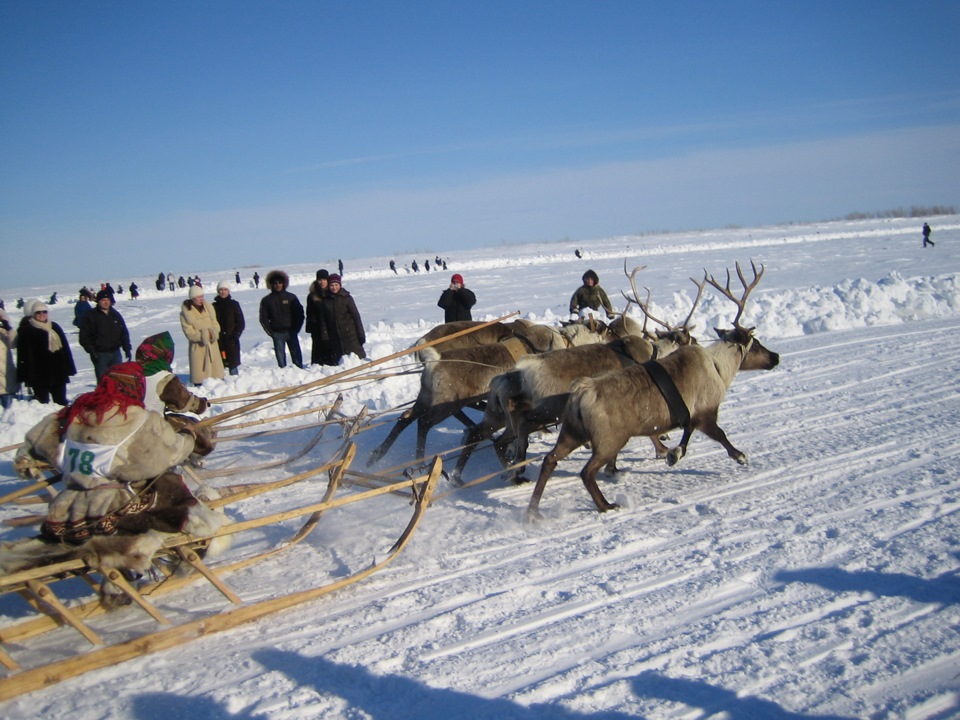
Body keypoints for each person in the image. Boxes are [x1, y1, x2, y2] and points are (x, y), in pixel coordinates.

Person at [6, 362, 222, 588]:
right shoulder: (137, 420)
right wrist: (189, 437)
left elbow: (31, 450)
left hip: (66, 514)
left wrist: (30, 461)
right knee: (168, 485)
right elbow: (167, 455)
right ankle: (152, 552)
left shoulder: (71, 413)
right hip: (114, 509)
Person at [135, 331, 209, 416]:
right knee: (191, 425)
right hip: (154, 424)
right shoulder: (165, 379)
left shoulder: (132, 371)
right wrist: (201, 405)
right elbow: (183, 402)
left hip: (132, 422)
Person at [16, 301, 76, 405]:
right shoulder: (27, 330)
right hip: (38, 375)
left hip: (58, 372)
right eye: (38, 312)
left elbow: (65, 349)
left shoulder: (54, 327)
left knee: (61, 401)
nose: (42, 314)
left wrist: (69, 367)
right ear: (33, 314)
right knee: (42, 402)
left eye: (44, 312)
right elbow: (23, 354)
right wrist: (24, 375)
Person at [79, 289, 131, 383]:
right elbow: (84, 336)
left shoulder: (115, 314)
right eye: (103, 300)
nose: (106, 302)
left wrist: (127, 348)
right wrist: (92, 350)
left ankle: (117, 398)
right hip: (100, 354)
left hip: (115, 353)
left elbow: (123, 332)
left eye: (107, 300)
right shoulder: (91, 315)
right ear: (98, 301)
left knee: (118, 380)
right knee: (104, 381)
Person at [259, 270, 304, 369]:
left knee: (297, 358)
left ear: (284, 283)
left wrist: (296, 328)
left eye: (280, 282)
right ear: (271, 285)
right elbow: (263, 318)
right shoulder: (267, 300)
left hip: (291, 332)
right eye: (275, 283)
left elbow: (300, 314)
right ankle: (283, 376)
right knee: (281, 362)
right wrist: (271, 333)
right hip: (277, 333)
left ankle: (300, 373)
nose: (277, 285)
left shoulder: (291, 297)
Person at [180, 285, 224, 385]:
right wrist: (204, 335)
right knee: (200, 377)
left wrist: (213, 333)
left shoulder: (208, 308)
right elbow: (189, 333)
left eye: (202, 296)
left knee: (216, 377)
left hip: (212, 346)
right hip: (198, 349)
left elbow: (215, 324)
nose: (201, 299)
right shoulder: (185, 313)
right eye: (199, 297)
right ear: (192, 298)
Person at [319, 274, 366, 363]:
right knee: (339, 362)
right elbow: (323, 321)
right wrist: (325, 337)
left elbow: (356, 317)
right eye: (331, 285)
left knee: (356, 360)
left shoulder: (347, 298)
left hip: (351, 335)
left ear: (340, 285)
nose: (334, 288)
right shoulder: (325, 301)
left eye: (336, 285)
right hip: (335, 337)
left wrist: (361, 334)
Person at [213, 280, 245, 376]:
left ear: (229, 291)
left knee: (232, 364)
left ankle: (234, 383)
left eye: (225, 289)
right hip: (219, 340)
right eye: (221, 290)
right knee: (220, 364)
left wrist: (235, 335)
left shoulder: (234, 304)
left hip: (231, 340)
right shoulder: (214, 306)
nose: (223, 292)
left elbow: (241, 322)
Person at [305, 269, 336, 365]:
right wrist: (312, 324)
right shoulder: (312, 295)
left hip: (331, 326)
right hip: (317, 327)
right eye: (320, 280)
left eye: (324, 280)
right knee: (318, 349)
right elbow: (309, 312)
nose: (322, 282)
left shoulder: (331, 293)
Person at [0, 305, 18, 409]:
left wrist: (8, 328)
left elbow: (14, 343)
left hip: (7, 382)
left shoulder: (4, 332)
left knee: (10, 416)